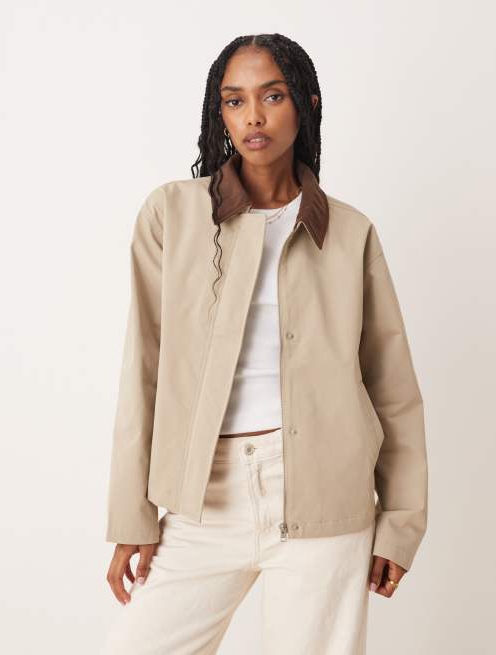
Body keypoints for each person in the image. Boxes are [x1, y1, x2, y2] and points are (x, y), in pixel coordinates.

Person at [101, 33, 428, 655]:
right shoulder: (172, 213)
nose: (253, 116)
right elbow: (143, 365)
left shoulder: (351, 233)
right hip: (204, 492)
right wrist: (131, 513)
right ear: (220, 113)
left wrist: (401, 523)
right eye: (235, 100)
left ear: (305, 103)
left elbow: (394, 391)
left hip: (325, 495)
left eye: (272, 96)